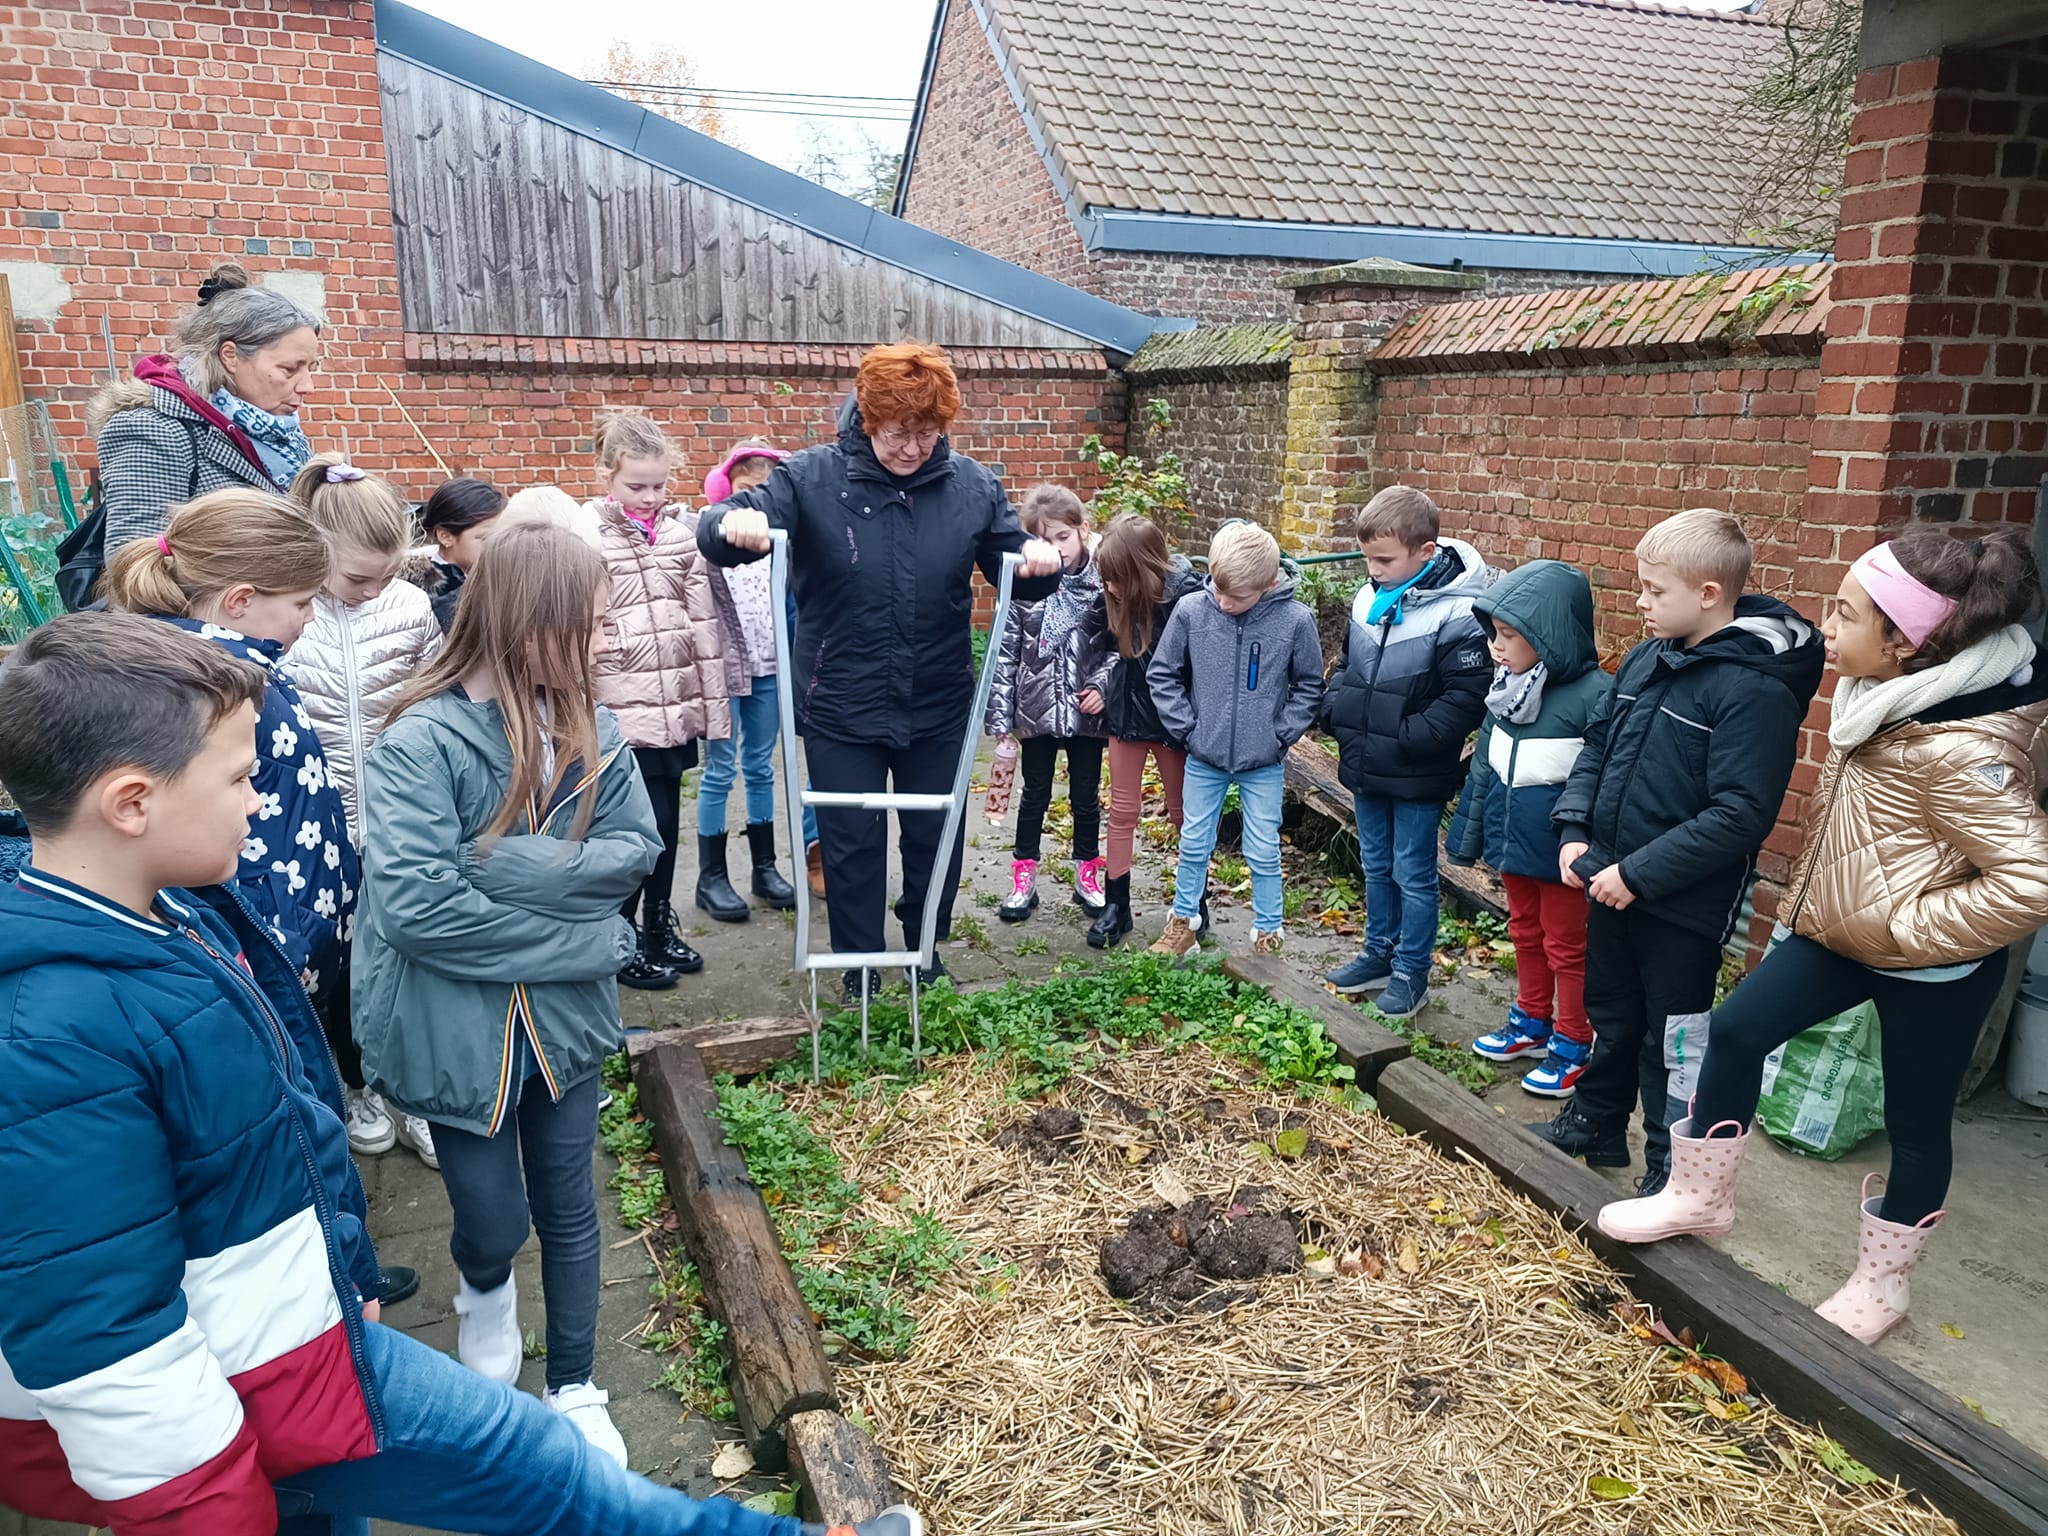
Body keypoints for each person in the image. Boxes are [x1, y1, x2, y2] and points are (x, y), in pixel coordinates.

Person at [0, 611, 921, 1536]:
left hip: (293, 1342)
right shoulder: (52, 1036)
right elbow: (104, 1342)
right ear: (130, 803)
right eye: (242, 778)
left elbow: (269, 1152)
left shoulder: (168, 916)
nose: (257, 803)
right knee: (552, 1476)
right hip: (261, 1384)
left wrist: (343, 1266)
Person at [1596, 531, 2048, 1343]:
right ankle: (1702, 1196)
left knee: (1916, 1126)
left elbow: (2030, 880)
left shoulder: (1967, 746)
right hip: (1839, 935)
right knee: (1731, 1034)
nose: (1826, 629)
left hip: (1931, 966)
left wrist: (1910, 931)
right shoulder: (1886, 699)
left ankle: (1883, 1286)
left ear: (1907, 641)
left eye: (1844, 615)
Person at [349, 519, 658, 1465]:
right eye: (594, 624)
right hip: (455, 1031)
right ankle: (482, 1285)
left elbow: (636, 853)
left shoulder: (591, 730)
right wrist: (589, 937)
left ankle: (573, 1384)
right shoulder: (419, 741)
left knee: (570, 1206)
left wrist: (492, 863)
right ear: (532, 624)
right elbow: (418, 913)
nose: (610, 642)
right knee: (494, 1219)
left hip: (561, 1026)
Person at [698, 343, 1061, 1004]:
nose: (913, 448)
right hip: (840, 701)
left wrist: (1039, 561)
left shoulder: (972, 487)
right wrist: (732, 524)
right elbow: (724, 528)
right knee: (851, 839)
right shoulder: (810, 478)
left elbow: (1014, 562)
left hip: (938, 702)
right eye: (899, 433)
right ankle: (859, 963)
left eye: (928, 434)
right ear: (868, 418)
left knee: (936, 836)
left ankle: (923, 948)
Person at [1531, 507, 1823, 1198]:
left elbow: (1739, 815)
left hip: (1682, 902)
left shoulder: (1754, 690)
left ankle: (1671, 1168)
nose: (1640, 602)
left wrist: (1640, 873)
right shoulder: (1648, 658)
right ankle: (1596, 1122)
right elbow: (1598, 747)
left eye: (1655, 591)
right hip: (1608, 879)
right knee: (1613, 1011)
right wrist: (1575, 831)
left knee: (1674, 1038)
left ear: (1709, 595)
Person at [286, 454, 444, 1168]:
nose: (374, 589)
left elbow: (431, 704)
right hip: (315, 830)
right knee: (338, 965)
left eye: (387, 575)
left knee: (404, 960)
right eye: (357, 578)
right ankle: (358, 1088)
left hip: (396, 816)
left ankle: (414, 1095)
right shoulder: (287, 615)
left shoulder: (409, 609)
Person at [1320, 486, 1496, 1021]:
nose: (1372, 570)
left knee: (1412, 873)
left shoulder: (1462, 611)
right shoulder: (1368, 598)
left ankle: (1411, 972)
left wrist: (1407, 737)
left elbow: (1465, 697)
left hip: (1417, 771)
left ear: (1425, 551)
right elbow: (1348, 668)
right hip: (1367, 764)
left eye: (1383, 559)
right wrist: (1338, 715)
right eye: (1367, 558)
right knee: (1375, 865)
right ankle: (1378, 953)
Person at [575, 413, 734, 989]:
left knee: (666, 826)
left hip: (674, 710)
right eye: (634, 486)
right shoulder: (583, 536)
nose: (648, 498)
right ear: (605, 478)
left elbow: (704, 624)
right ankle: (617, 937)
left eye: (659, 485)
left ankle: (657, 925)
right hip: (618, 712)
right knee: (626, 833)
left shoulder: (681, 535)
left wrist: (713, 712)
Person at [1446, 559, 1609, 1097]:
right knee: (1523, 933)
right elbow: (1484, 772)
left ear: (1551, 635)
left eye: (1510, 635)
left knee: (1568, 946)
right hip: (1513, 844)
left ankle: (1573, 1040)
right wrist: (1469, 839)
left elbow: (1606, 781)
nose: (1496, 645)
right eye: (1493, 632)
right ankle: (1532, 1021)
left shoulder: (1594, 697)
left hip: (1562, 856)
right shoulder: (1504, 692)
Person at [1146, 520, 1323, 958]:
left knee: (1263, 848)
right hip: (1203, 757)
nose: (1224, 603)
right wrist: (1188, 728)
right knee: (1193, 842)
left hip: (1262, 762)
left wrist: (1280, 734)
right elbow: (1163, 673)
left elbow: (1309, 685)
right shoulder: (1191, 610)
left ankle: (1267, 931)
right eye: (1219, 591)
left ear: (1268, 583)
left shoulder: (1296, 620)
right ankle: (1184, 922)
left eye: (1237, 597)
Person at [92, 262, 323, 551]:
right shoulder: (154, 430)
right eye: (290, 369)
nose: (307, 386)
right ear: (230, 356)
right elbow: (135, 570)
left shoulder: (277, 432)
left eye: (312, 368)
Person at [987, 484, 1115, 923]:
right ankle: (1024, 877)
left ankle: (1087, 873)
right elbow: (1005, 653)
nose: (1055, 548)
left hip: (1086, 710)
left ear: (1082, 531)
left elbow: (1120, 645)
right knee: (1034, 793)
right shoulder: (1023, 583)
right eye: (1044, 540)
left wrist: (1104, 685)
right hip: (1034, 708)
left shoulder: (1104, 583)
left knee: (1086, 796)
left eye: (1062, 536)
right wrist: (1001, 718)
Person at [693, 440, 802, 922]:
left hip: (769, 670)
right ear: (727, 493)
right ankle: (710, 875)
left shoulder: (784, 547)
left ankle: (765, 866)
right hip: (724, 674)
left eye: (764, 491)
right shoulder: (712, 545)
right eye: (744, 490)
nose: (755, 501)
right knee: (720, 770)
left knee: (761, 766)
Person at [1090, 512, 1207, 948]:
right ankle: (1115, 906)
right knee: (1121, 811)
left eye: (1117, 580)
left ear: (1141, 569)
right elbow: (1098, 647)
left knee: (1182, 814)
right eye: (1106, 581)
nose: (1110, 590)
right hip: (1125, 713)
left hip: (1173, 720)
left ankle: (1194, 904)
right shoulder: (1112, 595)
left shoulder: (1186, 601)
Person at [416, 474, 507, 634]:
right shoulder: (429, 597)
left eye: (500, 536)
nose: (496, 545)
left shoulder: (499, 578)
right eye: (484, 538)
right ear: (446, 536)